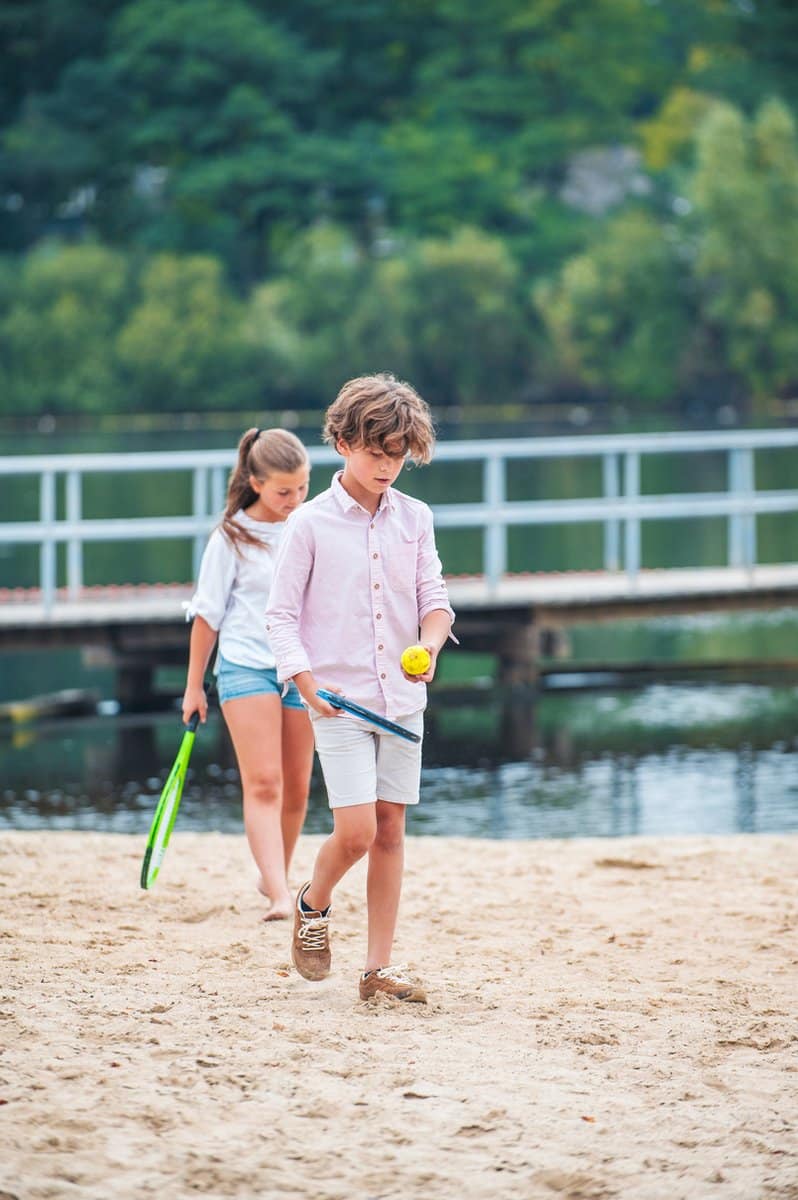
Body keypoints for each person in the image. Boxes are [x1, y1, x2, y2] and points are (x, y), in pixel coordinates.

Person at [265, 374, 455, 1002]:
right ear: (342, 442)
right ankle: (312, 904)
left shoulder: (416, 519)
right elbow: (281, 615)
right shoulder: (309, 524)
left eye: (398, 455)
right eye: (377, 452)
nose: (387, 467)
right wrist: (303, 679)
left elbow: (436, 603)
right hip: (336, 701)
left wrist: (427, 647)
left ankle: (376, 970)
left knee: (392, 829)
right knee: (357, 833)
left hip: (402, 701)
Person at [182, 427, 314, 921]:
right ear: (255, 482)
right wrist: (194, 686)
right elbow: (207, 615)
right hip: (244, 666)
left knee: (298, 788)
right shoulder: (230, 537)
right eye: (284, 491)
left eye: (302, 488)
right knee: (264, 783)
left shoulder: (310, 526)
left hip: (300, 668)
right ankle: (282, 895)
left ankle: (272, 873)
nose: (295, 499)